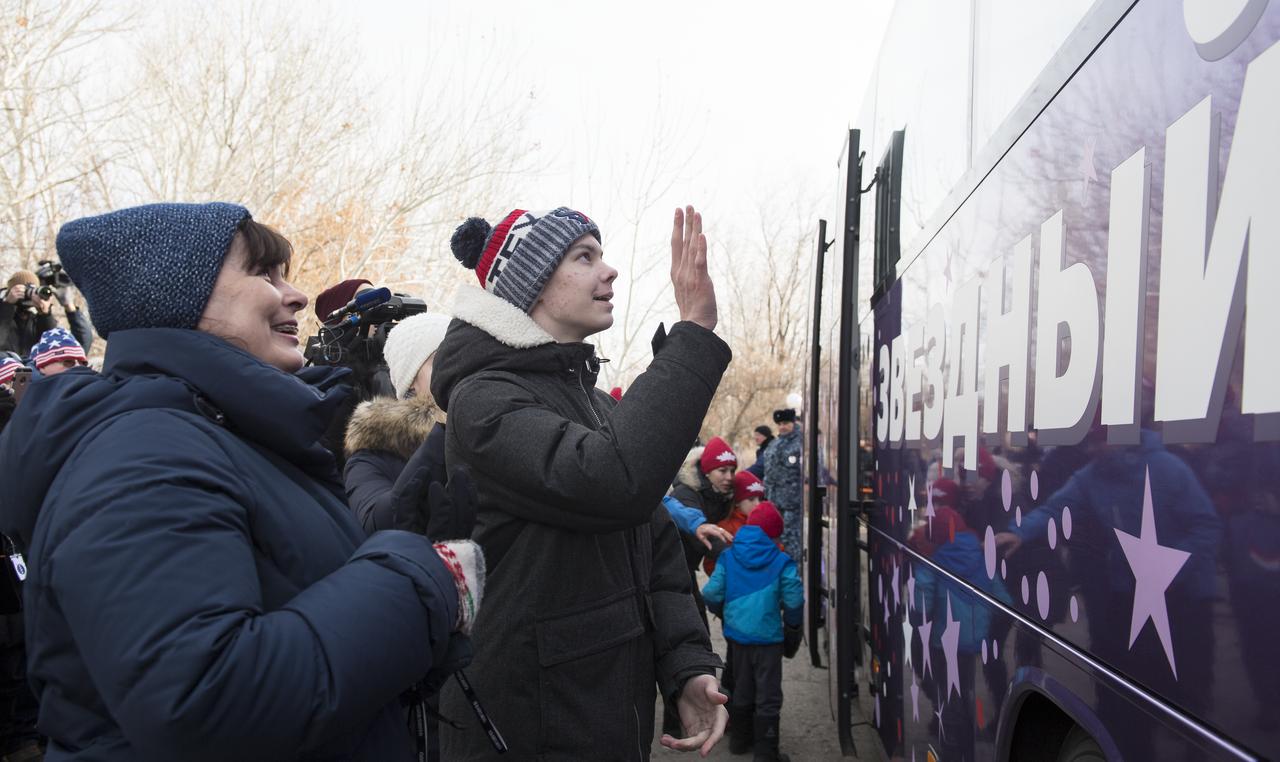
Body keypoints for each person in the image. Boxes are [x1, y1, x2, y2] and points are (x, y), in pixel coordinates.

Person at [0, 202, 482, 760]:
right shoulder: (144, 455)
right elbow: (203, 700)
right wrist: (420, 578)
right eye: (263, 274)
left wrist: (404, 576)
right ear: (178, 298)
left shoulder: (232, 440)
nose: (297, 295)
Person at [433, 205, 731, 759]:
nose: (609, 270)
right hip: (532, 729)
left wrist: (686, 666)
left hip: (605, 720)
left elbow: (660, 554)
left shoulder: (593, 403)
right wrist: (692, 334)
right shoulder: (485, 402)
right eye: (583, 256)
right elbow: (617, 481)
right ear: (533, 286)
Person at [702, 502, 803, 762]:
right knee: (768, 695)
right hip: (768, 640)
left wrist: (726, 613)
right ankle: (766, 754)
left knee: (742, 688)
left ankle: (739, 742)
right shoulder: (782, 562)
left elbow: (711, 593)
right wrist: (792, 628)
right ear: (773, 534)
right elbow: (793, 601)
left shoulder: (729, 555)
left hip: (737, 637)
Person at [343, 311, 455, 535]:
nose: (457, 370)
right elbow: (376, 522)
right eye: (443, 361)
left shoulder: (492, 418)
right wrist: (443, 432)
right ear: (410, 380)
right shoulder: (372, 453)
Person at [704, 470, 770, 576]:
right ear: (738, 502)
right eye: (751, 499)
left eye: (761, 499)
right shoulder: (725, 528)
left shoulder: (767, 524)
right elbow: (710, 565)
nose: (758, 504)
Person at [762, 409, 803, 561]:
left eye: (785, 423)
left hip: (793, 505)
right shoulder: (775, 443)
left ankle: (795, 576)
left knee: (792, 544)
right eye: (779, 424)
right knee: (777, 542)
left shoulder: (802, 443)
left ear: (793, 422)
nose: (782, 427)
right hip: (774, 503)